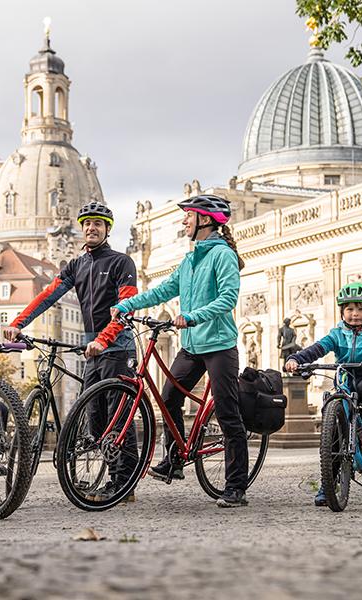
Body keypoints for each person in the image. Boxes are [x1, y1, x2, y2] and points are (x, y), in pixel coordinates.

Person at [111, 194, 249, 509]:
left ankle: (236, 487)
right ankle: (174, 460)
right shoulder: (189, 260)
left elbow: (228, 298)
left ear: (205, 219)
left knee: (228, 414)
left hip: (218, 345)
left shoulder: (222, 255)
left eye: (188, 216)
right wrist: (127, 305)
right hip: (191, 346)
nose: (184, 221)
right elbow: (164, 290)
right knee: (170, 396)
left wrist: (194, 315)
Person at [3, 201, 139, 502]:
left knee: (120, 418)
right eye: (87, 223)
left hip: (118, 348)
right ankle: (112, 477)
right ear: (82, 229)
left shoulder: (121, 262)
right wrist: (18, 323)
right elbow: (49, 295)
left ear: (107, 229)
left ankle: (124, 483)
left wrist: (104, 339)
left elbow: (125, 309)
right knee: (95, 417)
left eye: (98, 224)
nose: (92, 228)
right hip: (93, 350)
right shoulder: (77, 265)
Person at [284, 281, 362, 507]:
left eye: (360, 309)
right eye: (349, 309)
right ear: (342, 312)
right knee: (335, 434)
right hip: (346, 377)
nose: (355, 314)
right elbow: (317, 348)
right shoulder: (336, 334)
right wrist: (296, 359)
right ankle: (327, 485)